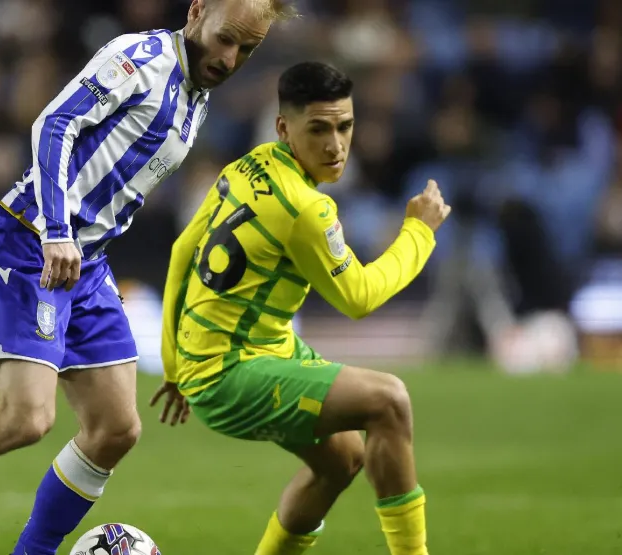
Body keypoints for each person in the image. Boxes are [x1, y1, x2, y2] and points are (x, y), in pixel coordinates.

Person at [0, 1, 296, 554]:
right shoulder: (139, 59)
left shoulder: (196, 98)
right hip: (31, 241)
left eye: (248, 49)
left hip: (86, 262)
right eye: (227, 38)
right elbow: (55, 123)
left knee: (116, 428)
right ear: (197, 11)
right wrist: (57, 231)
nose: (231, 57)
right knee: (25, 418)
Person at [150, 61, 451, 555]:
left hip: (233, 356)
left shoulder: (248, 165)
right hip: (232, 371)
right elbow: (358, 297)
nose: (335, 145)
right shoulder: (306, 209)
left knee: (343, 460)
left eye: (345, 126)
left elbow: (184, 248)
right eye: (319, 129)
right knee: (389, 400)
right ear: (284, 128)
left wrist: (174, 364)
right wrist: (419, 231)